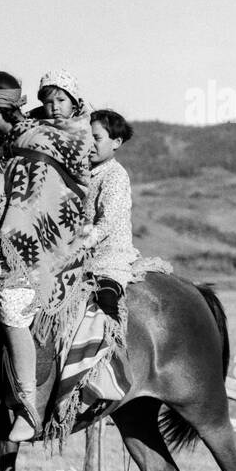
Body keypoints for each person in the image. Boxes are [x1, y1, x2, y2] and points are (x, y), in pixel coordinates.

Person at [0, 70, 93, 440]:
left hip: (45, 249)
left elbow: (35, 206)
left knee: (11, 301)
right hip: (6, 237)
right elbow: (2, 198)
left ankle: (28, 407)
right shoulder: (7, 141)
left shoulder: (40, 141)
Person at [81, 109, 139, 321]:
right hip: (78, 254)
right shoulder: (82, 173)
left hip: (108, 255)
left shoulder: (115, 175)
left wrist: (81, 243)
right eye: (86, 137)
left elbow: (107, 222)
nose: (90, 143)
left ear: (116, 142)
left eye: (96, 138)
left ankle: (113, 349)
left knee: (105, 299)